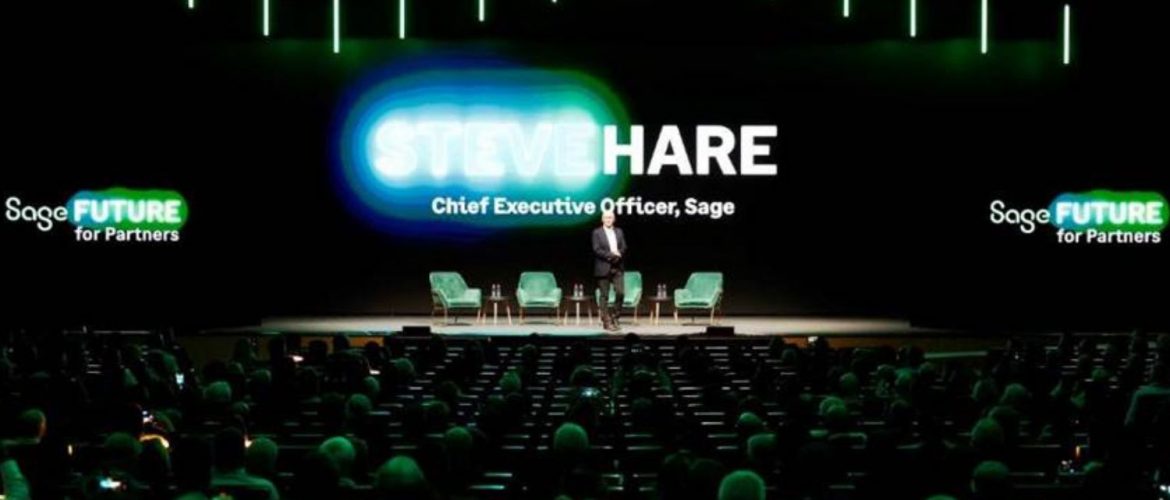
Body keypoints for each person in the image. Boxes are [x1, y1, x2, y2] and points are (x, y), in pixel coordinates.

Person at [592, 210, 627, 331]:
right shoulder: (597, 233)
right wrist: (612, 255)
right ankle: (606, 321)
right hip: (603, 266)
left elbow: (623, 247)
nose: (608, 219)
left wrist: (619, 254)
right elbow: (596, 249)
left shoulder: (619, 231)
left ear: (614, 219)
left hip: (617, 266)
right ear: (602, 219)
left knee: (621, 293)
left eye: (610, 217)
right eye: (606, 217)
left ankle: (615, 317)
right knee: (604, 296)